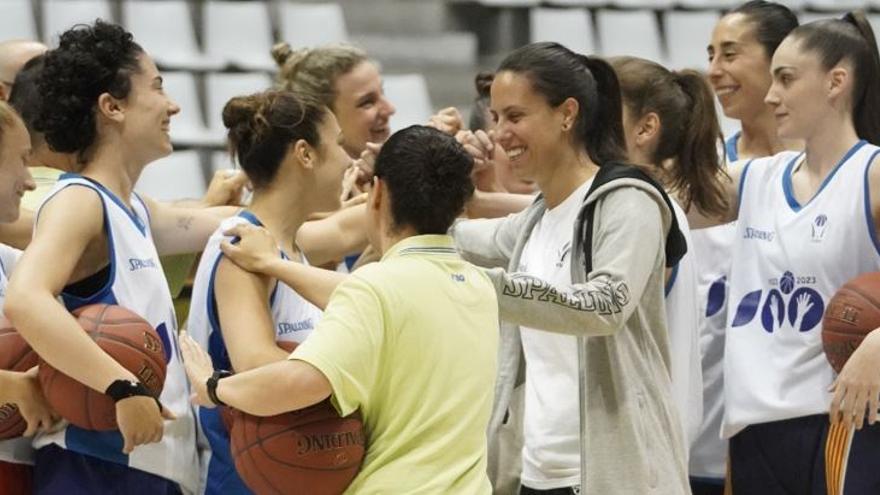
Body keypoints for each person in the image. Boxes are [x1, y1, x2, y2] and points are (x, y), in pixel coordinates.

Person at [180, 125, 499, 494]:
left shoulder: (377, 289)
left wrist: (215, 387)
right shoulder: (480, 287)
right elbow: (376, 297)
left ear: (377, 192)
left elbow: (300, 382)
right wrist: (275, 264)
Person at [450, 42, 689, 494]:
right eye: (497, 118)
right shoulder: (538, 216)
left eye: (515, 116)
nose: (501, 133)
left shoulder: (628, 200)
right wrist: (404, 197)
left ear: (567, 114)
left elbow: (604, 305)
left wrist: (477, 286)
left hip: (618, 474)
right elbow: (455, 242)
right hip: (537, 473)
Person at [2, 21, 230, 494]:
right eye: (158, 87)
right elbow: (25, 299)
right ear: (112, 107)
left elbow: (240, 226)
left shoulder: (135, 210)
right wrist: (120, 386)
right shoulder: (78, 202)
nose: (173, 104)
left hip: (147, 465)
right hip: (96, 462)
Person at [692, 11, 880, 494]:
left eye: (786, 79)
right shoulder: (754, 177)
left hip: (839, 421)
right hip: (750, 426)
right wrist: (482, 200)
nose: (771, 94)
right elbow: (645, 209)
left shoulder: (872, 175)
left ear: (836, 82)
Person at [187, 89, 351, 494]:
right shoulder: (240, 246)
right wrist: (353, 381)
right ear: (305, 154)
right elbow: (256, 364)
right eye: (339, 144)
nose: (348, 159)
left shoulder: (285, 250)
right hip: (242, 477)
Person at [611, 54, 729, 460]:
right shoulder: (633, 201)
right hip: (643, 437)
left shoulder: (641, 211)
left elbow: (596, 314)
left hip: (642, 445)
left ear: (645, 128)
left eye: (601, 111)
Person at [0, 100, 44, 495]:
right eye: (21, 160)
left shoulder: (7, 258)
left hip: (18, 461)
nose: (30, 181)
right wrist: (11, 386)